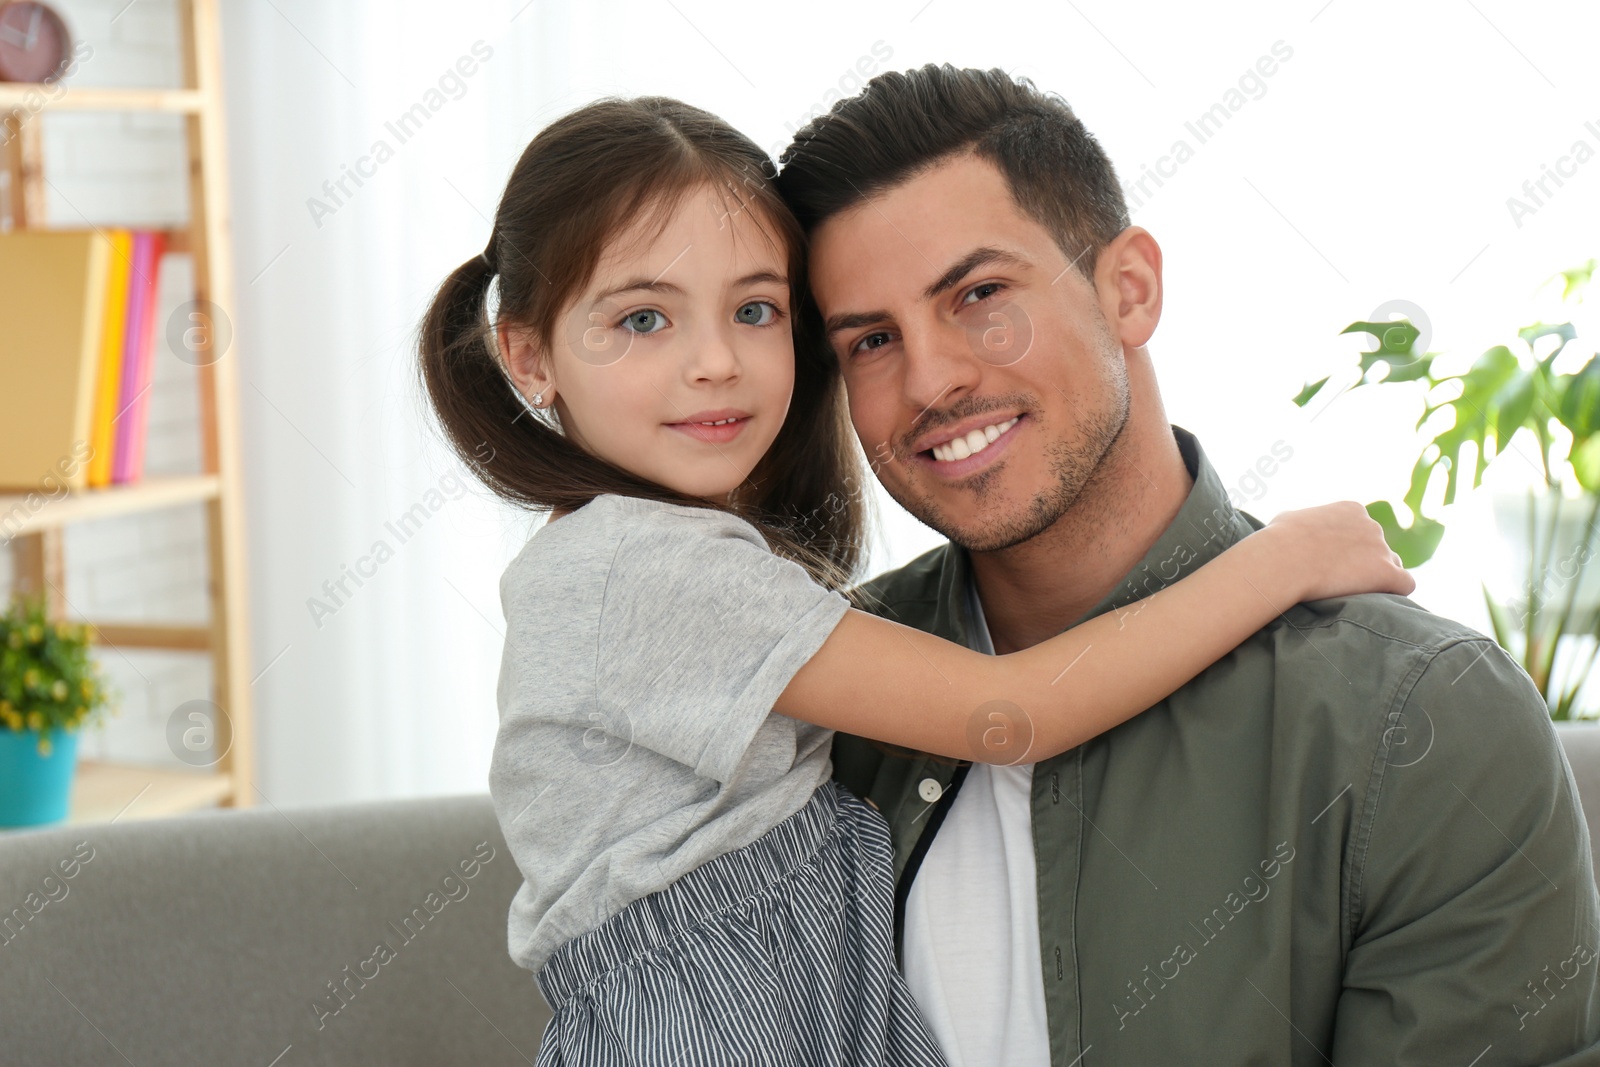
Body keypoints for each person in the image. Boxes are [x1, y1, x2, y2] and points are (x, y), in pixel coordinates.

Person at [416, 95, 1411, 1066]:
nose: (715, 361)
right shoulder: (644, 568)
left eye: (754, 309)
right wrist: (1277, 557)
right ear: (528, 354)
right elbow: (1010, 712)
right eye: (642, 319)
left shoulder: (650, 559)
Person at [775, 63, 1600, 1066]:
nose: (932, 377)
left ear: (1128, 288)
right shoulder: (809, 703)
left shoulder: (1423, 721)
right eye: (869, 340)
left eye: (980, 294)